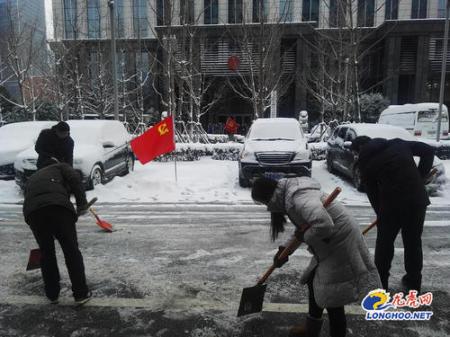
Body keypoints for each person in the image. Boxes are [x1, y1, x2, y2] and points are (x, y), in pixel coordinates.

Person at [251, 176, 380, 337]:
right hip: (330, 243)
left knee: (333, 296)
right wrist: (285, 250)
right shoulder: (289, 197)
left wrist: (305, 237)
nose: (266, 207)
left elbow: (323, 225)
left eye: (263, 203)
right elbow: (304, 228)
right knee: (313, 280)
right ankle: (311, 328)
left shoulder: (298, 198)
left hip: (340, 242)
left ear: (268, 197)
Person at [350, 136, 435, 293]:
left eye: (355, 153)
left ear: (361, 148)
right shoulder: (399, 143)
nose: (356, 157)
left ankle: (381, 283)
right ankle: (413, 283)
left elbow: (373, 194)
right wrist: (420, 176)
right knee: (413, 243)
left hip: (391, 204)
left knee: (384, 244)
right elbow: (428, 150)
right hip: (417, 201)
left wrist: (380, 213)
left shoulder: (366, 163)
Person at [23, 160, 91, 305]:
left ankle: (52, 294)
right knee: (71, 250)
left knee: (46, 253)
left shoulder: (34, 177)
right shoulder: (62, 167)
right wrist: (81, 205)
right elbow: (75, 179)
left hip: (34, 213)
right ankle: (80, 294)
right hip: (59, 208)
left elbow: (28, 197)